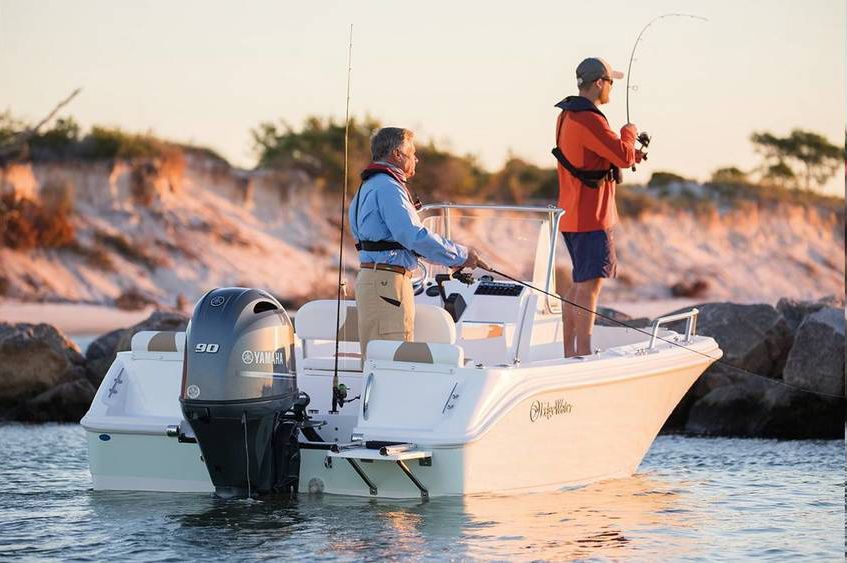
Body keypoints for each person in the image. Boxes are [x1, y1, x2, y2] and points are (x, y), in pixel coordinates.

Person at [350, 127, 487, 357]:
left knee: (378, 361)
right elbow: (413, 235)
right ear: (396, 154)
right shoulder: (388, 187)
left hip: (373, 281)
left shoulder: (368, 185)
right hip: (388, 285)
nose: (416, 158)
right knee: (394, 362)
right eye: (411, 152)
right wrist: (461, 255)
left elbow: (388, 238)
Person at [552, 57, 643, 357]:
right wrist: (628, 132)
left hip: (573, 215)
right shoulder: (589, 118)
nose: (612, 89)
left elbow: (591, 157)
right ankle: (584, 353)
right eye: (610, 83)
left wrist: (621, 153)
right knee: (590, 288)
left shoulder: (567, 115)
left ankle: (571, 352)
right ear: (599, 83)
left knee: (578, 286)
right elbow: (624, 156)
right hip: (591, 217)